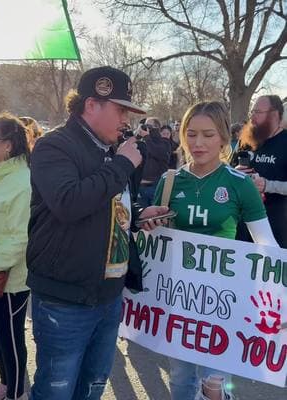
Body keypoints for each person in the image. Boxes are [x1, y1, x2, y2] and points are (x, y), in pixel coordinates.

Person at [26, 66, 168, 400]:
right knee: (55, 391)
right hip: (65, 298)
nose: (126, 120)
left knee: (92, 387)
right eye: (121, 110)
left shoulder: (115, 149)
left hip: (108, 295)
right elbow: (68, 202)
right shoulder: (54, 146)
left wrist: (136, 217)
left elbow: (107, 207)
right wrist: (121, 166)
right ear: (92, 105)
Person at [153, 101, 278, 400]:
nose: (198, 143)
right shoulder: (169, 182)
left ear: (223, 137)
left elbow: (267, 243)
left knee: (213, 386)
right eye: (191, 134)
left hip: (223, 300)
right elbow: (155, 243)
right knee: (181, 379)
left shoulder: (239, 184)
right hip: (178, 297)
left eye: (208, 135)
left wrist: (278, 296)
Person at [0, 113, 31, 400]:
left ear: (9, 145)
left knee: (11, 340)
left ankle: (16, 392)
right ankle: (5, 383)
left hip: (10, 280)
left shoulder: (22, 181)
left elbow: (21, 238)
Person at [233, 95, 287, 248]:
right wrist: (235, 173)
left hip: (276, 224)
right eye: (252, 112)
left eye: (257, 112)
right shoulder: (246, 140)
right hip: (243, 225)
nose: (252, 117)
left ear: (274, 114)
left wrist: (267, 185)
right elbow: (229, 169)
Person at [137, 117, 171, 207]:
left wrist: (147, 137)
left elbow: (157, 152)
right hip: (141, 187)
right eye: (145, 126)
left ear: (156, 127)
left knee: (155, 218)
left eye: (148, 126)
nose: (146, 128)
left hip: (155, 187)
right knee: (140, 218)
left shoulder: (165, 142)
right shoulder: (143, 142)